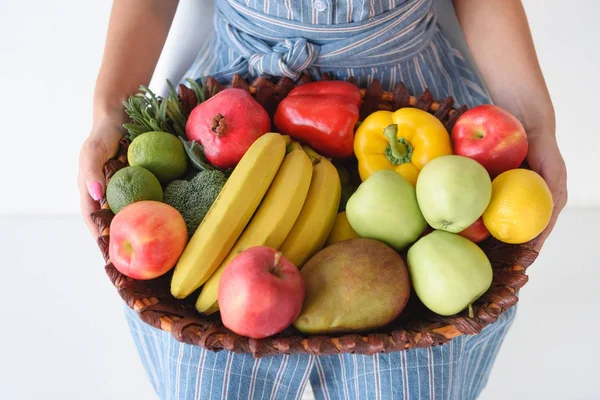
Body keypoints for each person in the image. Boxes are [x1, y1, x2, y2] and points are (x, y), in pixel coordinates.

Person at [78, 0, 568, 398]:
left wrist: (539, 126)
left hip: (413, 101)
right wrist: (106, 114)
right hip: (233, 100)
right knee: (205, 374)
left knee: (411, 381)